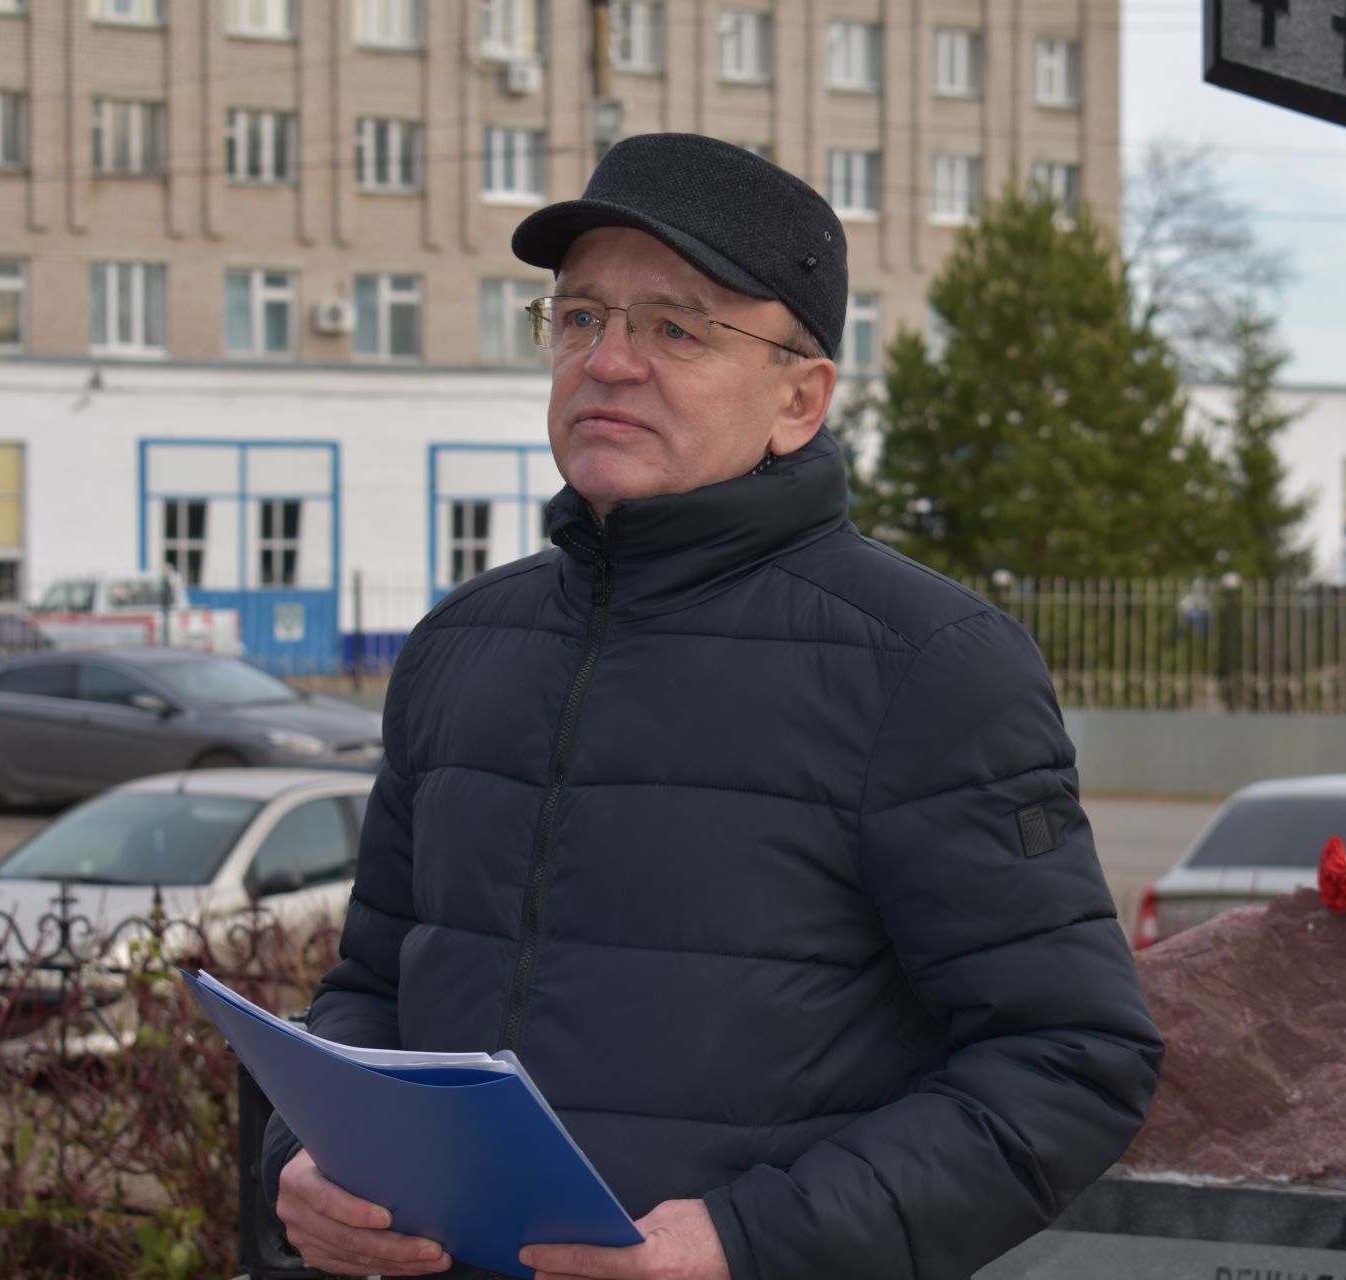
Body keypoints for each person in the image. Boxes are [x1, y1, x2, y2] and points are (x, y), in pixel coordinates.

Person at [264, 133, 1164, 1280]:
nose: (610, 361)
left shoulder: (927, 664)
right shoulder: (459, 645)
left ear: (800, 398)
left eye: (676, 327)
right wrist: (305, 1156)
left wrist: (751, 1243)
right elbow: (372, 986)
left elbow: (1072, 1057)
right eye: (580, 317)